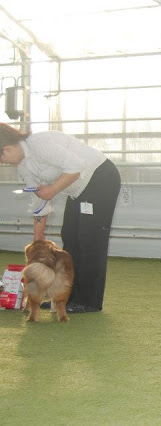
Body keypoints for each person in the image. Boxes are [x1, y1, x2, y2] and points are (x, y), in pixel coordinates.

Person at [0, 123, 120, 313]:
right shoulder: (24, 166)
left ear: (6, 148)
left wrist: (52, 190)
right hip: (78, 189)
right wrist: (38, 242)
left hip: (100, 178)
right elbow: (38, 199)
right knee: (70, 237)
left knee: (89, 239)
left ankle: (88, 301)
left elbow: (76, 166)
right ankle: (66, 297)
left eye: (2, 159)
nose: (3, 163)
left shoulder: (39, 143)